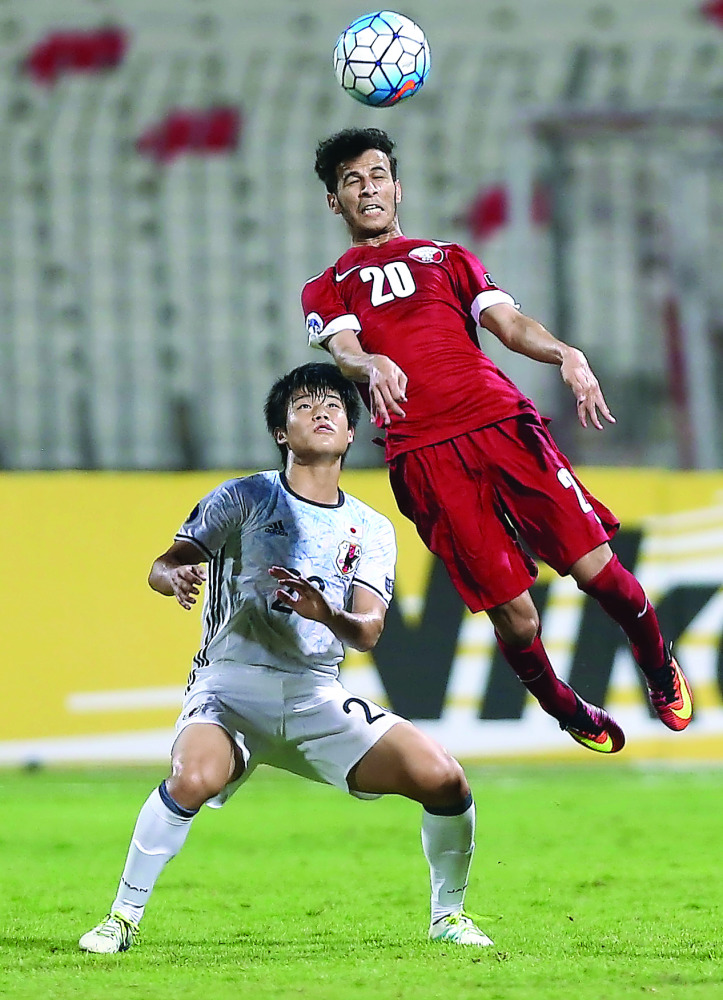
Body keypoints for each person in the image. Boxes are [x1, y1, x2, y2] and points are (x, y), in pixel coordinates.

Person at [79, 362, 494, 954]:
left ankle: (448, 916)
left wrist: (327, 613)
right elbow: (164, 562)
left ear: (352, 432)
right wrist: (177, 576)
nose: (321, 411)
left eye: (334, 405)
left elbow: (370, 630)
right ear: (282, 432)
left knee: (444, 779)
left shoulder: (371, 529)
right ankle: (120, 918)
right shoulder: (246, 495)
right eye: (304, 405)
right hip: (230, 686)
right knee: (192, 778)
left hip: (314, 694)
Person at [302, 127, 693, 754]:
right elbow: (345, 347)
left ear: (397, 187)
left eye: (376, 175)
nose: (366, 188)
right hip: (424, 454)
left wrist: (565, 353)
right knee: (516, 615)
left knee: (599, 572)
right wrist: (370, 362)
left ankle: (656, 663)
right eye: (351, 180)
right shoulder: (327, 286)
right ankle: (563, 705)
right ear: (335, 202)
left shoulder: (448, 258)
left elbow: (506, 323)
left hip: (501, 424)